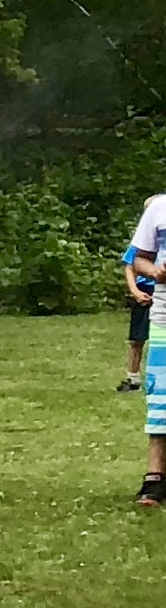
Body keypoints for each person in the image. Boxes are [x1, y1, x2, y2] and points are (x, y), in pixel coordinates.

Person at [131, 193, 166, 507]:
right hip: (164, 320)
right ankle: (154, 478)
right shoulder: (158, 208)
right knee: (161, 399)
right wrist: (155, 272)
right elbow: (138, 259)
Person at [122, 232, 155, 394]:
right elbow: (130, 266)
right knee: (137, 337)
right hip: (144, 291)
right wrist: (135, 292)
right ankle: (133, 378)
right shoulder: (142, 240)